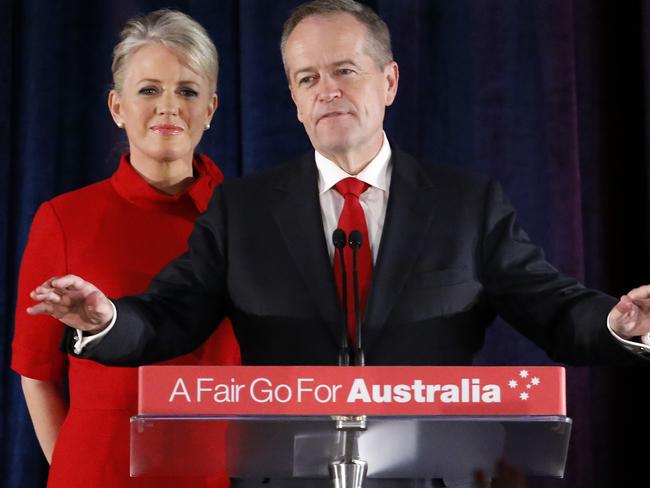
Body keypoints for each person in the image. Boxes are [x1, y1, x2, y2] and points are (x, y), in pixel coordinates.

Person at [25, 0, 650, 486]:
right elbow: (166, 318)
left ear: (389, 81)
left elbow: (557, 308)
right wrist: (107, 320)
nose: (327, 89)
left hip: (427, 478)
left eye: (345, 71)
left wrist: (621, 323)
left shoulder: (468, 206)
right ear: (294, 101)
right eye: (307, 77)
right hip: (283, 480)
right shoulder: (241, 212)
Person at [12, 9, 240, 488]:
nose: (169, 106)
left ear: (211, 109)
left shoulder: (251, 218)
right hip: (100, 472)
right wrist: (76, 466)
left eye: (188, 91)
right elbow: (36, 371)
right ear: (117, 107)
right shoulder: (63, 219)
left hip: (221, 475)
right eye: (149, 90)